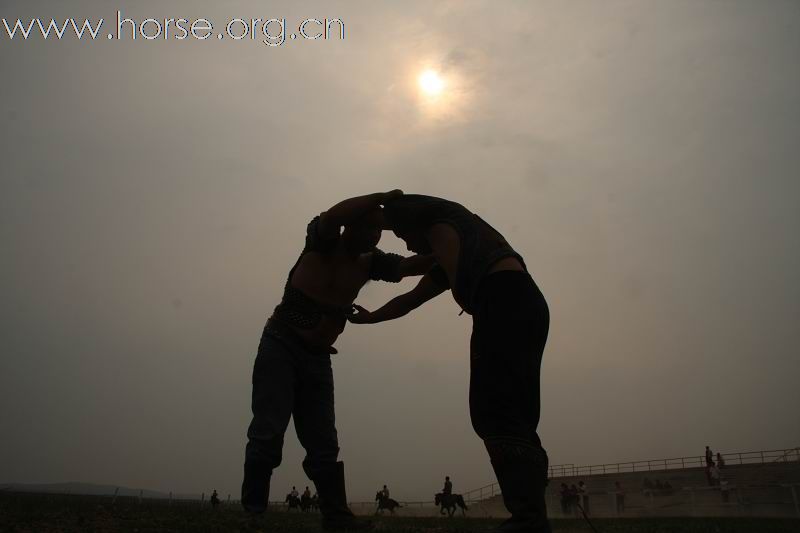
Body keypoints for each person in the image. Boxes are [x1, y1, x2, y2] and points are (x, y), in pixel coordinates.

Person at [349, 194, 552, 532]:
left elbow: (381, 213)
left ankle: (528, 518)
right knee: (516, 412)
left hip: (504, 299)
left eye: (402, 235)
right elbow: (409, 301)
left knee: (495, 409)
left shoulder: (440, 216)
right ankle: (532, 516)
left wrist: (347, 221)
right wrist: (370, 318)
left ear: (408, 221)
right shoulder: (451, 259)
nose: (408, 246)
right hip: (523, 302)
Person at [241, 191, 434, 531]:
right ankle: (254, 512)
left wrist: (443, 254)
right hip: (281, 345)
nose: (375, 236)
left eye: (380, 231)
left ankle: (336, 517)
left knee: (324, 443)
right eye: (370, 228)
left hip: (317, 359)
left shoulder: (370, 260)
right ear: (351, 227)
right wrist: (382, 197)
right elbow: (332, 215)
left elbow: (405, 267)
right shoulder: (323, 240)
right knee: (268, 431)